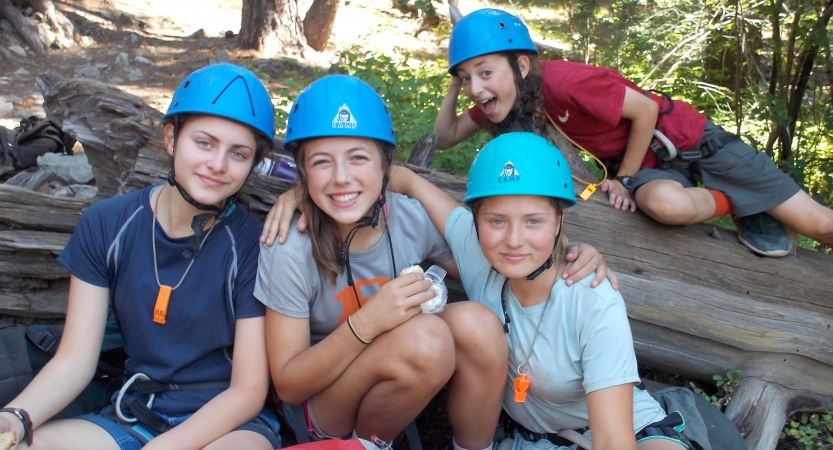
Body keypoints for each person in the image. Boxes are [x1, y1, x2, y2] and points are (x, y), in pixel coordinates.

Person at [0, 63, 281, 450]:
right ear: (171, 138)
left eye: (238, 153)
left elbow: (248, 389)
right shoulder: (107, 225)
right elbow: (74, 361)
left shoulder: (251, 244)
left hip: (229, 424)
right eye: (204, 142)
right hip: (138, 411)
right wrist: (16, 416)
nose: (218, 164)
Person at [433, 8, 833, 257]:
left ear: (521, 67)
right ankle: (745, 204)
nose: (475, 87)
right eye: (467, 78)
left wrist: (623, 178)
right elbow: (447, 135)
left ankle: (757, 202)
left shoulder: (564, 81)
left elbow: (644, 110)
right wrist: (455, 79)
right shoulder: (503, 103)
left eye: (485, 72)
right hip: (651, 167)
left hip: (692, 140)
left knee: (820, 225)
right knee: (666, 206)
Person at [391, 131, 692, 450]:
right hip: (531, 437)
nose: (514, 239)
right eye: (496, 221)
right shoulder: (475, 247)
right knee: (470, 318)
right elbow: (407, 180)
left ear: (559, 220)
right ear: (476, 220)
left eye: (534, 221)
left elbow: (613, 441)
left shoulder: (593, 299)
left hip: (625, 428)